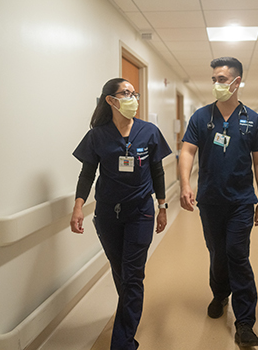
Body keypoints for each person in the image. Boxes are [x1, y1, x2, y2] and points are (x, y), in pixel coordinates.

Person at [70, 78, 172, 350]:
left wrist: (162, 206)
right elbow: (87, 173)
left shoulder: (149, 132)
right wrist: (78, 205)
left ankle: (122, 342)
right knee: (121, 272)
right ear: (110, 101)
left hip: (140, 212)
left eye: (134, 93)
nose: (132, 98)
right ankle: (129, 311)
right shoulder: (97, 135)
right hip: (107, 214)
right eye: (125, 93)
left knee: (132, 275)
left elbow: (158, 172)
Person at [179, 57, 258, 347]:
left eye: (222, 79)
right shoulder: (201, 117)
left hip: (241, 202)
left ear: (236, 82)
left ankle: (245, 322)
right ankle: (220, 294)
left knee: (237, 255)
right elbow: (188, 152)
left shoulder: (252, 120)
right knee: (218, 253)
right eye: (214, 79)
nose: (217, 84)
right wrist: (184, 184)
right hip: (210, 200)